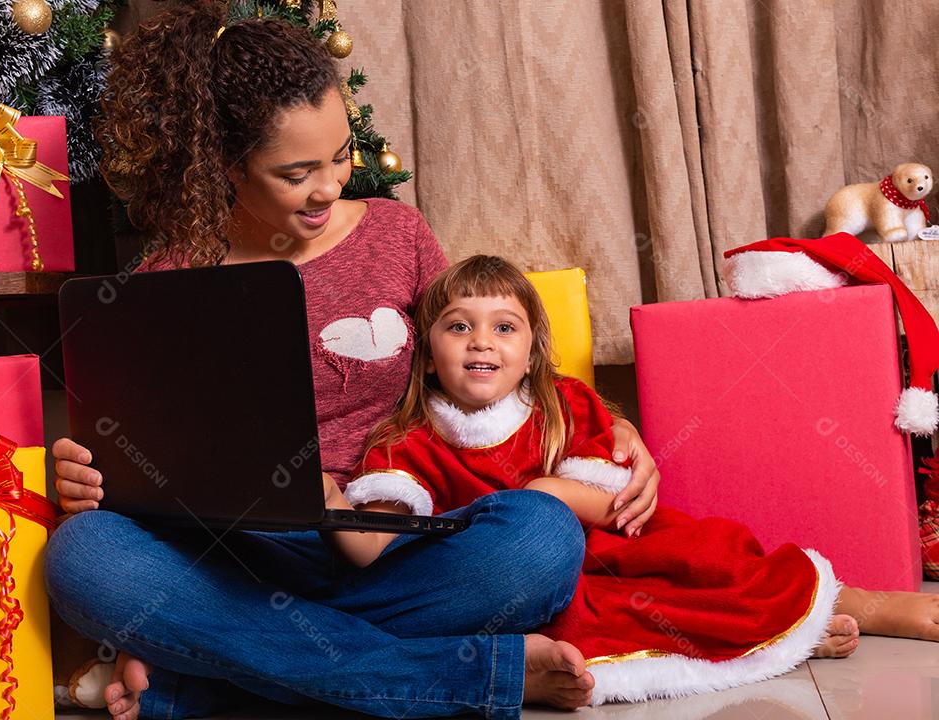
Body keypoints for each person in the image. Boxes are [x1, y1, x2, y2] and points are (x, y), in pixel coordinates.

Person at [44, 5, 661, 719]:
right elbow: (134, 449)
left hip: (395, 546)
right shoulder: (168, 277)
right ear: (225, 164)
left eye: (340, 157)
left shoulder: (397, 234)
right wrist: (84, 470)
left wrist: (613, 426)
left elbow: (475, 353)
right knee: (84, 557)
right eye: (297, 172)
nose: (331, 186)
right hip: (242, 558)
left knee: (541, 542)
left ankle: (217, 682)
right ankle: (459, 679)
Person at [332, 254, 939, 705]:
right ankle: (781, 637)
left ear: (532, 347)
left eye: (504, 327)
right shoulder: (407, 438)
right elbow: (369, 542)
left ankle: (845, 602)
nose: (481, 342)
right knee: (599, 618)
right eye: (459, 326)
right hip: (525, 583)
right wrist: (327, 502)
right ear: (429, 347)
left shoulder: (563, 403)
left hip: (612, 543)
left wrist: (550, 495)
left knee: (712, 557)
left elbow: (610, 502)